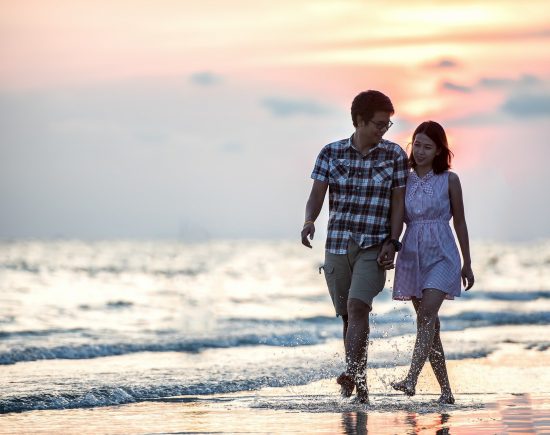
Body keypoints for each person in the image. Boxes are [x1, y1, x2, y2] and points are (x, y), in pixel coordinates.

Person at [301, 90, 409, 403]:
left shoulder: (394, 155)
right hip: (337, 244)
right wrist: (309, 221)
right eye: (378, 124)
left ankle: (352, 375)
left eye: (387, 125)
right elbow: (316, 195)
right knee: (349, 318)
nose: (384, 130)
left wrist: (393, 240)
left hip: (374, 245)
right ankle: (360, 386)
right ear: (359, 121)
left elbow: (398, 204)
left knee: (358, 306)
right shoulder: (330, 153)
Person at [390, 121, 475, 404]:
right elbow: (396, 218)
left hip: (443, 254)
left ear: (439, 150)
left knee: (426, 316)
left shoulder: (450, 180)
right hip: (412, 255)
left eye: (428, 146)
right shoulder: (404, 178)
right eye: (417, 144)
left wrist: (467, 262)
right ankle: (446, 392)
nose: (422, 151)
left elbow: (460, 221)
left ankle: (411, 379)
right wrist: (388, 247)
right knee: (430, 326)